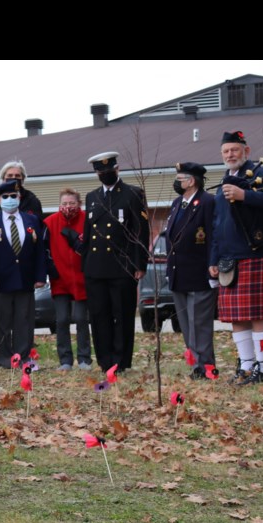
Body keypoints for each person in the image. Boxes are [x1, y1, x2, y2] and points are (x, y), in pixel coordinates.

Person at [209, 131, 263, 385]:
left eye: (234, 150)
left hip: (256, 254)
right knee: (237, 317)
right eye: (225, 152)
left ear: (246, 150)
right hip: (229, 259)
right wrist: (213, 257)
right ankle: (245, 367)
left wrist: (246, 196)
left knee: (258, 315)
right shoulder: (224, 181)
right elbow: (217, 224)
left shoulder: (259, 173)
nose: (230, 155)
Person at [81, 152, 150, 373]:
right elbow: (87, 232)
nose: (105, 175)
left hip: (122, 265)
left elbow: (141, 231)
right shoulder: (92, 197)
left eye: (108, 172)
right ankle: (105, 360)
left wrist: (140, 264)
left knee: (122, 315)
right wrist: (85, 263)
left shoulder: (132, 194)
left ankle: (121, 361)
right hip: (96, 267)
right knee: (99, 316)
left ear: (117, 170)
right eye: (101, 173)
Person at [0, 179, 46, 368]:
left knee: (24, 320)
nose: (10, 199)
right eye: (5, 197)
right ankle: (3, 357)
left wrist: (40, 276)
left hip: (25, 278)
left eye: (14, 196)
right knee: (2, 321)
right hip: (0, 280)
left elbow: (39, 250)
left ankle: (22, 356)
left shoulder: (31, 220)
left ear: (19, 198)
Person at [166, 162, 216, 380]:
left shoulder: (207, 202)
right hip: (179, 273)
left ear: (192, 181)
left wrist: (213, 265)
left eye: (180, 179)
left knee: (199, 324)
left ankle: (206, 368)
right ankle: (195, 364)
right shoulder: (178, 203)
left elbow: (213, 237)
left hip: (198, 272)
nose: (176, 183)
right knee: (186, 324)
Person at [42, 188, 92, 371]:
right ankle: (65, 360)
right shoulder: (50, 223)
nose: (68, 207)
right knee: (61, 319)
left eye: (71, 203)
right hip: (60, 278)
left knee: (81, 318)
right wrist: (49, 270)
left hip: (81, 278)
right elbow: (44, 250)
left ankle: (84, 359)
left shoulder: (87, 220)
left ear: (79, 204)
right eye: (64, 203)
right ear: (59, 205)